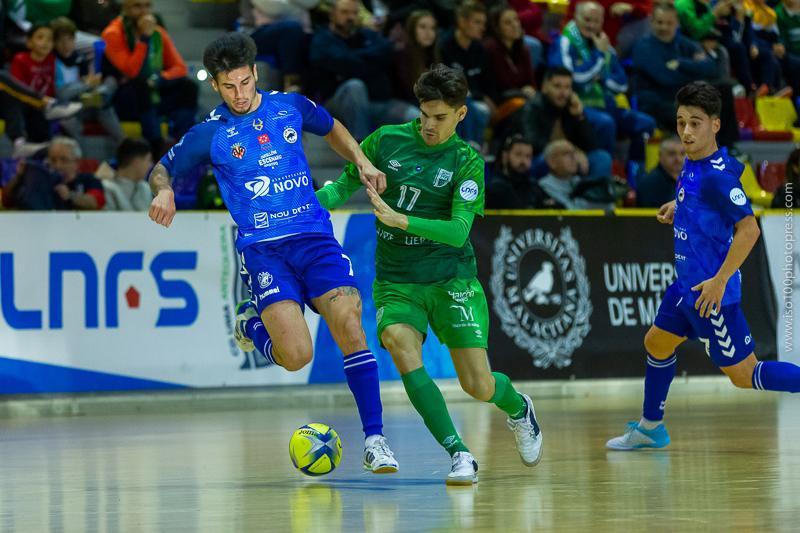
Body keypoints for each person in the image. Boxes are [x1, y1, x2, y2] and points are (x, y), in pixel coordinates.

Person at [147, 32, 399, 473]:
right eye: (229, 87)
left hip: (314, 238)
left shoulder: (290, 106)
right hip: (264, 251)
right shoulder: (211, 133)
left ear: (256, 74)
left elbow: (333, 128)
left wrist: (362, 161)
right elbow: (161, 169)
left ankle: (375, 440)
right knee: (297, 355)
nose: (240, 94)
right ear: (216, 86)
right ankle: (252, 325)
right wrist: (164, 192)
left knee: (351, 325)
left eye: (245, 83)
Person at [316, 64, 543, 485]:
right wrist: (310, 205)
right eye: (424, 115)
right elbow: (345, 183)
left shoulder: (466, 162)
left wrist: (401, 220)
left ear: (460, 114)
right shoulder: (386, 141)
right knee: (398, 343)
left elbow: (458, 233)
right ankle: (459, 453)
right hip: (397, 280)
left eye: (440, 117)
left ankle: (519, 408)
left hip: (451, 278)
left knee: (477, 384)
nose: (430, 125)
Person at [606, 81, 800, 451]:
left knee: (746, 376)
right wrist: (679, 206)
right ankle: (651, 427)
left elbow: (749, 230)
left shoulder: (716, 177)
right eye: (681, 122)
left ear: (715, 124)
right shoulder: (698, 164)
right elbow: (706, 201)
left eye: (696, 123)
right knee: (657, 342)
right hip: (686, 289)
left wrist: (719, 281)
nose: (686, 131)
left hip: (712, 296)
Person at [308, 0, 417, 141]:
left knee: (415, 117)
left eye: (354, 13)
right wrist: (367, 62)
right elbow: (341, 62)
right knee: (355, 86)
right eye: (345, 12)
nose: (350, 17)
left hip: (373, 103)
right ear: (332, 14)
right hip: (336, 104)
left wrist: (352, 61)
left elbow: (387, 50)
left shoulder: (367, 35)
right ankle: (361, 150)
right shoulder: (322, 38)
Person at [101, 0, 198, 151]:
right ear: (125, 9)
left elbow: (180, 68)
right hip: (126, 97)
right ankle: (156, 147)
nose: (144, 11)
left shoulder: (158, 32)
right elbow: (132, 71)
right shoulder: (112, 33)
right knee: (141, 84)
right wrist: (144, 38)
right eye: (137, 6)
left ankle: (183, 145)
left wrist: (160, 79)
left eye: (147, 6)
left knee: (189, 87)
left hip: (154, 91)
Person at [486, 134, 561, 209]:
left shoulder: (533, 186)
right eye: (518, 154)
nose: (523, 161)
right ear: (505, 156)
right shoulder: (494, 188)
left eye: (528, 156)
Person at [103, 137, 153, 210]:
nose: (150, 165)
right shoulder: (107, 188)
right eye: (148, 160)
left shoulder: (145, 188)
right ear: (137, 161)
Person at [636, 137, 685, 207]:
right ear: (660, 155)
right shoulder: (648, 184)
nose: (678, 159)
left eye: (682, 154)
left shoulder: (691, 179)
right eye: (672, 154)